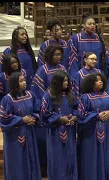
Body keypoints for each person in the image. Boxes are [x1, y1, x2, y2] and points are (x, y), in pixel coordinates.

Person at [30, 44, 66, 175]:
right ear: (50, 56)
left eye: (60, 54)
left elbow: (66, 88)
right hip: (48, 109)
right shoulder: (42, 70)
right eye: (56, 54)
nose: (58, 57)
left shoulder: (62, 68)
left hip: (62, 106)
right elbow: (37, 93)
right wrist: (45, 108)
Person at [0, 72, 42, 180]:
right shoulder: (7, 99)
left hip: (29, 133)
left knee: (31, 159)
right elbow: (4, 118)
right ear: (14, 83)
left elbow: (37, 110)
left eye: (24, 80)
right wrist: (21, 120)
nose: (24, 82)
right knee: (17, 162)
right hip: (14, 136)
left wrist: (33, 118)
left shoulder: (30, 95)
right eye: (21, 81)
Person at [77, 73, 109, 180]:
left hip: (107, 130)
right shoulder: (85, 97)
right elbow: (80, 115)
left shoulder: (108, 95)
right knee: (92, 158)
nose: (100, 82)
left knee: (107, 156)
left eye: (101, 80)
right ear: (91, 83)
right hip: (91, 132)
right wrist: (96, 115)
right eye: (97, 80)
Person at [40, 70, 78, 180]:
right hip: (55, 132)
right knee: (58, 157)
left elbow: (78, 108)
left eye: (67, 80)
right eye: (64, 81)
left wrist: (74, 116)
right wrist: (60, 118)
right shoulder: (48, 95)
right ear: (58, 81)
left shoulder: (70, 94)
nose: (66, 83)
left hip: (70, 130)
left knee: (70, 156)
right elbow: (44, 113)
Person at [68, 12, 107, 79]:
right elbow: (73, 60)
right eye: (89, 24)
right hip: (82, 74)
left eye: (94, 24)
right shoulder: (76, 38)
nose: (92, 26)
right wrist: (75, 76)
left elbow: (102, 58)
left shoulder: (99, 38)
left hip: (96, 74)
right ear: (84, 25)